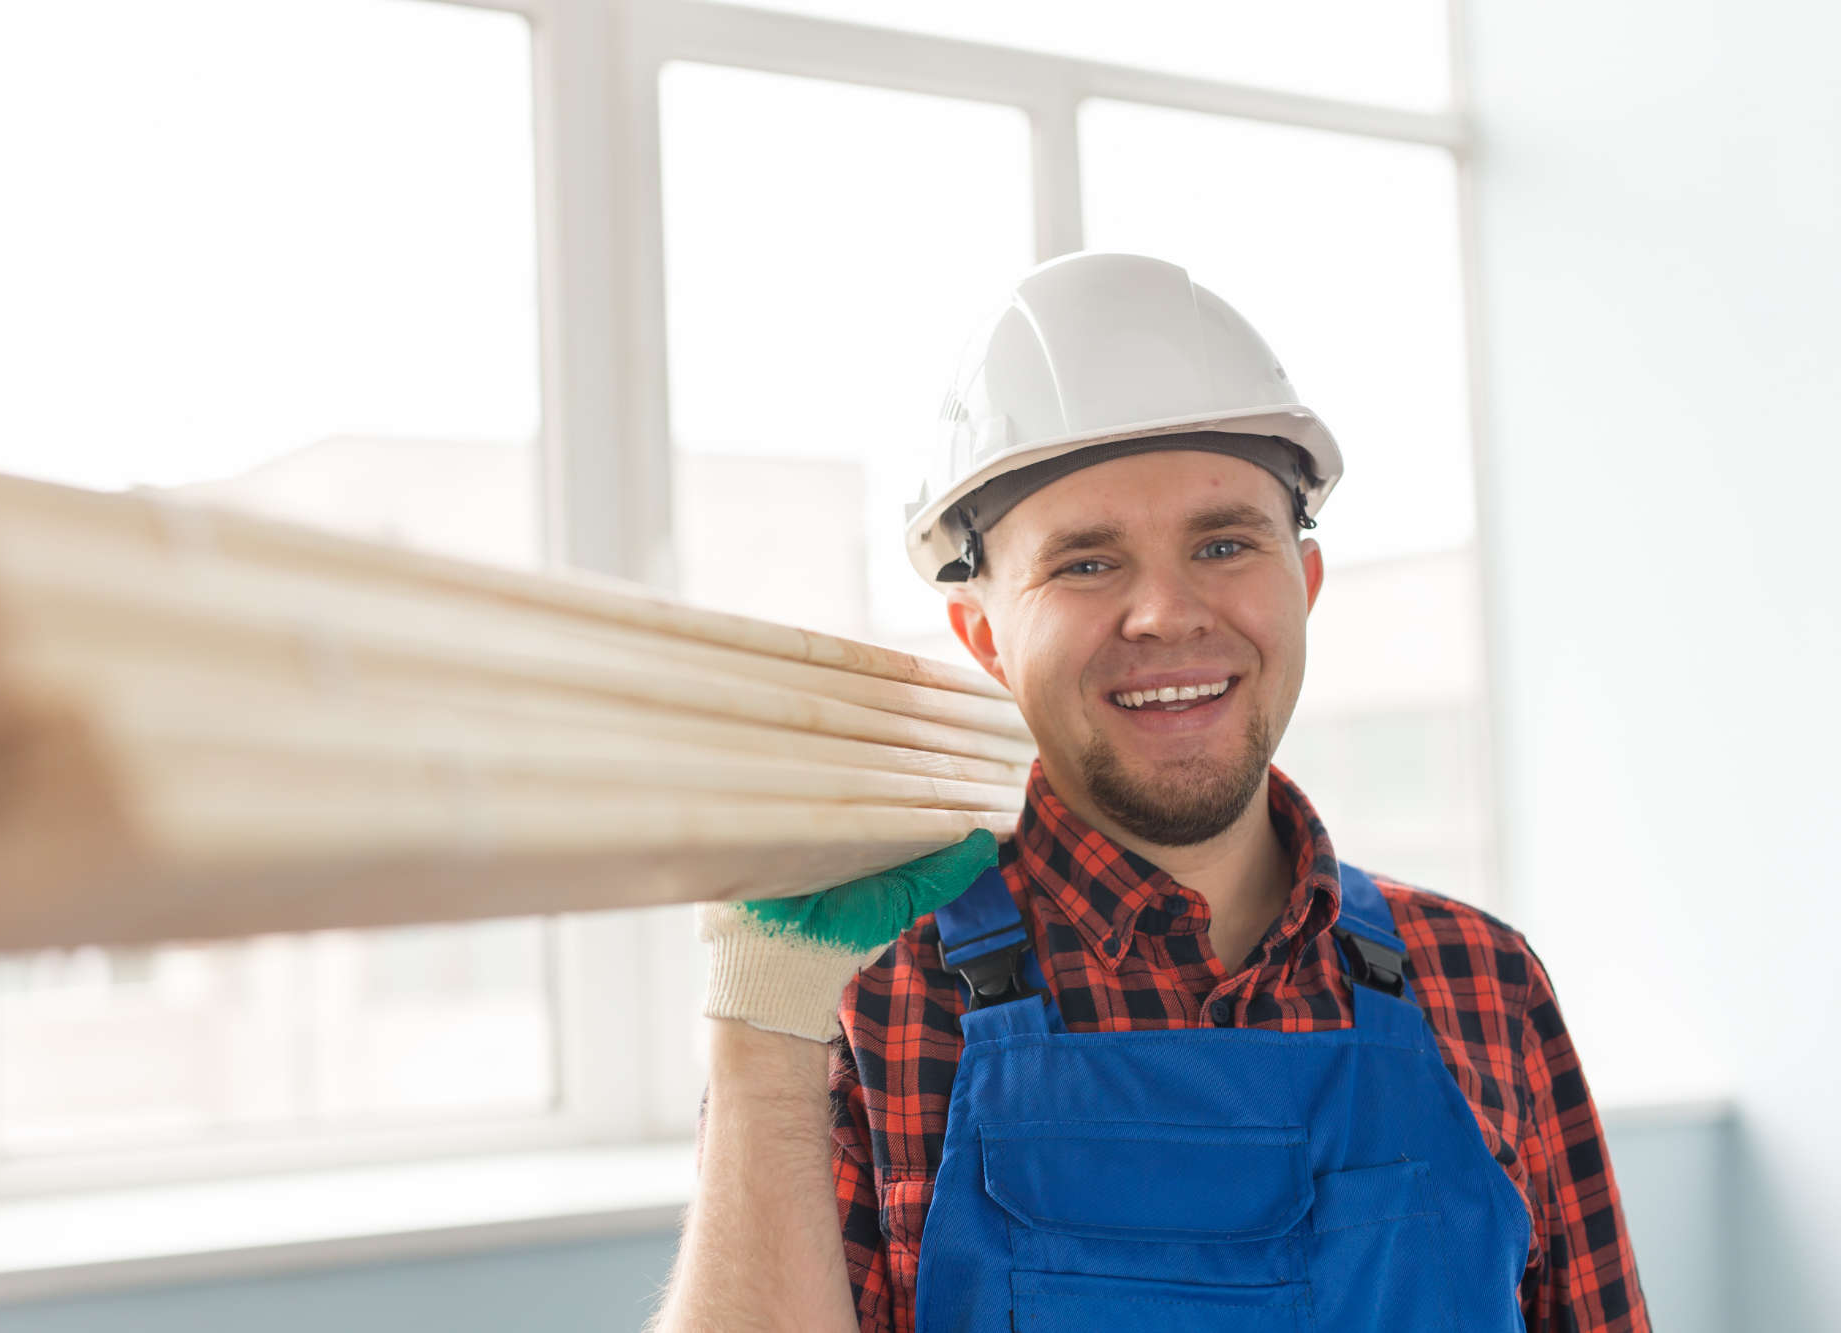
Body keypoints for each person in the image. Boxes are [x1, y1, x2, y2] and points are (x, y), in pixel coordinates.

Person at [651, 251, 1650, 1332]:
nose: (1166, 614)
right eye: (1086, 563)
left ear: (1302, 585)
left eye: (1223, 543)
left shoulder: (1483, 984)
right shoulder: (864, 1004)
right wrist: (758, 1035)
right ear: (982, 633)